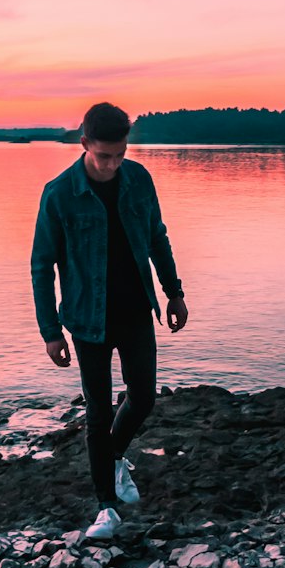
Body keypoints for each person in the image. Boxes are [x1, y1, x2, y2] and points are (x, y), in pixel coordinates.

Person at [31, 101, 188, 539]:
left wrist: (174, 293)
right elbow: (41, 265)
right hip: (86, 321)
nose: (114, 163)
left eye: (120, 153)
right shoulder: (59, 193)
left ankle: (116, 459)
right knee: (98, 413)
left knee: (143, 397)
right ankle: (105, 507)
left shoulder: (138, 179)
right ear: (84, 144)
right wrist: (50, 331)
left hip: (137, 309)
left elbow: (157, 237)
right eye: (105, 156)